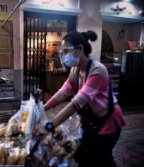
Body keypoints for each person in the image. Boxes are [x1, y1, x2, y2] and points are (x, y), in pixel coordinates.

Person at [33, 30, 126, 167]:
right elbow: (62, 93)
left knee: (101, 158)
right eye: (62, 52)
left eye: (65, 51)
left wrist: (50, 125)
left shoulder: (97, 70)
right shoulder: (75, 71)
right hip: (91, 121)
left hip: (108, 121)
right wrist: (41, 107)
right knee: (82, 156)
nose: (63, 55)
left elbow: (77, 102)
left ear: (79, 50)